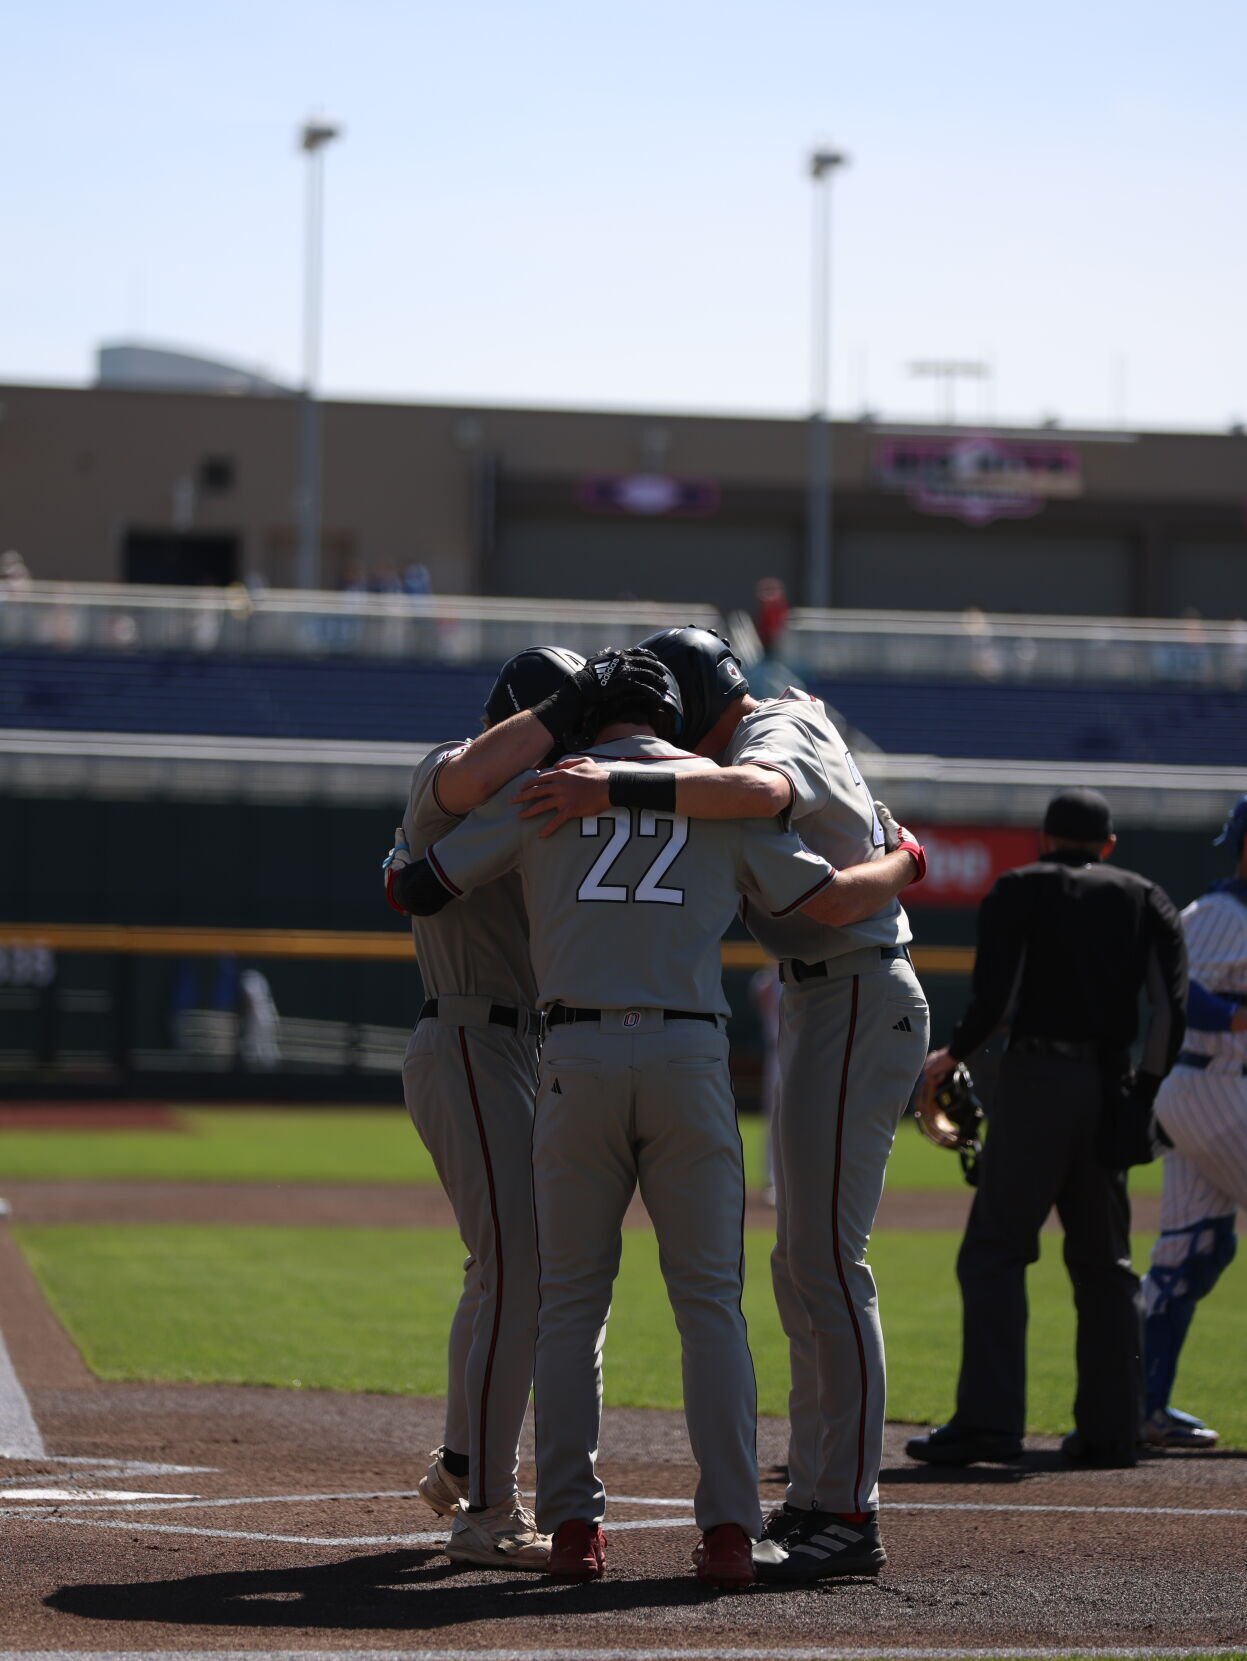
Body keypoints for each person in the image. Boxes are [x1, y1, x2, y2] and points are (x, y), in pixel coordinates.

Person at [391, 661, 925, 1588]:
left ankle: (573, 1528)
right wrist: (904, 859)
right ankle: (729, 1532)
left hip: (573, 1054)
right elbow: (824, 901)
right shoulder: (712, 795)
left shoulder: (546, 789)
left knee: (569, 1305)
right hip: (688, 1056)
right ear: (676, 716)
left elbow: (421, 886)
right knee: (710, 1305)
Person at [383, 645, 673, 1571]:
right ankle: (486, 1511)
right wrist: (569, 702)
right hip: (469, 1033)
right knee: (518, 1267)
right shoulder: (451, 771)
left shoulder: (556, 800)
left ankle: (463, 1459)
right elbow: (472, 775)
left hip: (523, 1045)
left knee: (500, 1269)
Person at [907, 788, 1187, 1471]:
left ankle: (988, 1424)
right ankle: (1112, 1431)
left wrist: (953, 1053)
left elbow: (996, 994)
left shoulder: (1019, 887)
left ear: (1044, 838)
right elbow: (1167, 1009)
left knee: (994, 1253)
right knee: (1105, 1267)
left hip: (1035, 1083)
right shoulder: (1145, 895)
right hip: (1110, 1085)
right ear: (1108, 845)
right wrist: (1142, 1093)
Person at [1141, 792, 1247, 1449]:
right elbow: (1175, 988)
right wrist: (1236, 1015)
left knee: (1193, 1250)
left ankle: (1136, 1405)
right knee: (1193, 1251)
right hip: (1211, 1086)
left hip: (1215, 1092)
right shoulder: (1218, 913)